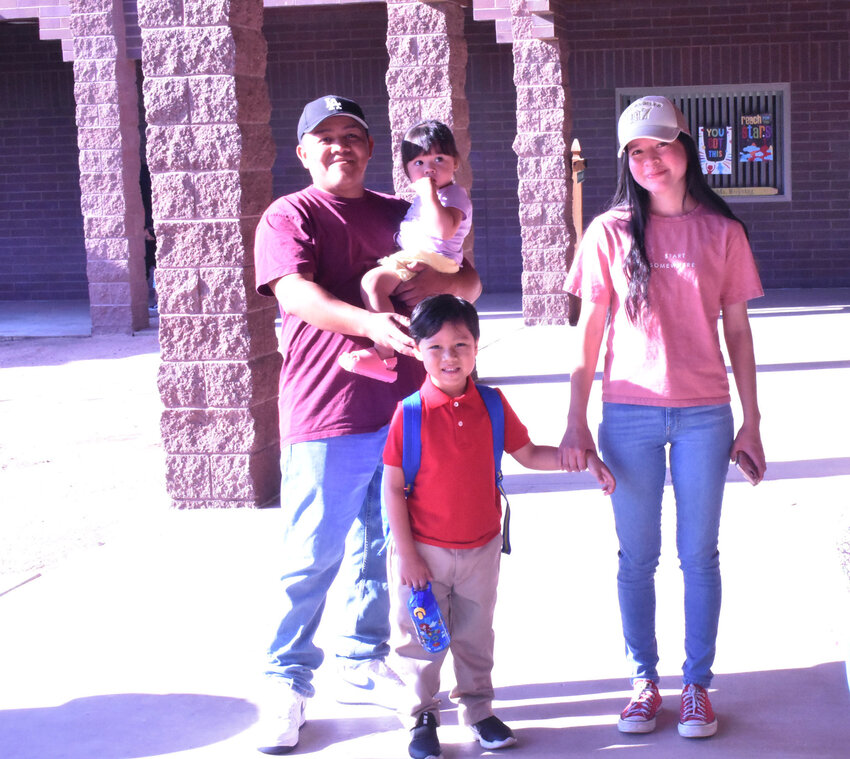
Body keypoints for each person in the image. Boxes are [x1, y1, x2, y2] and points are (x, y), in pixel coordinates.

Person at [252, 95, 482, 755]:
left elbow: (459, 275)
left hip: (406, 416)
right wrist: (371, 322)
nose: (339, 147)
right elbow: (295, 293)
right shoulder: (290, 214)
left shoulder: (400, 209)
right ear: (302, 152)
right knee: (311, 556)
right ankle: (286, 681)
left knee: (382, 550)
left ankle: (360, 658)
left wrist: (456, 280)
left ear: (370, 148)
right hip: (327, 412)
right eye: (323, 137)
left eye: (351, 135)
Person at [560, 95, 766, 739]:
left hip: (706, 415)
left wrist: (751, 421)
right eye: (637, 150)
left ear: (687, 147)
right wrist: (575, 420)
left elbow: (739, 332)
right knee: (636, 558)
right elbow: (589, 333)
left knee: (699, 556)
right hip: (628, 417)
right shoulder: (610, 232)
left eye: (662, 144)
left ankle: (697, 686)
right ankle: (643, 682)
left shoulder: (723, 233)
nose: (651, 159)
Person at [383, 294, 615, 759]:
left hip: (481, 550)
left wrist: (580, 459)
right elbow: (392, 489)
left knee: (474, 634)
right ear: (417, 349)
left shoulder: (491, 404)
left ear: (476, 347)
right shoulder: (409, 414)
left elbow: (528, 454)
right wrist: (406, 555)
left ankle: (478, 710)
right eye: (436, 347)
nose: (450, 357)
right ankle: (420, 716)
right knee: (419, 640)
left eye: (461, 345)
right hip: (422, 554)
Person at [339, 120, 472, 383]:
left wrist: (430, 194)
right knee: (377, 285)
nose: (429, 168)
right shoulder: (420, 201)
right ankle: (399, 352)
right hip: (423, 259)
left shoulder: (453, 195)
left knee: (372, 282)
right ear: (407, 171)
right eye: (419, 163)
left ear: (455, 163)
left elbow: (443, 230)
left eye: (439, 159)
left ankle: (386, 352)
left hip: (436, 262)